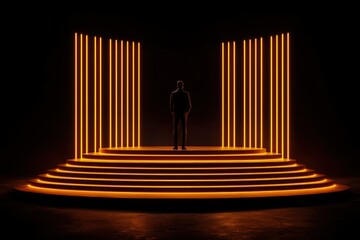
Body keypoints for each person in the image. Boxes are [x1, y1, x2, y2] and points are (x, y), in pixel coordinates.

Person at [169, 80, 192, 150]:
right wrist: (186, 112)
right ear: (183, 85)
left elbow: (170, 105)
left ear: (177, 85)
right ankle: (183, 147)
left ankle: (175, 146)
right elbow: (189, 105)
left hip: (176, 113)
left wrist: (173, 112)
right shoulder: (186, 94)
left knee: (175, 129)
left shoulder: (173, 93)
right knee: (184, 130)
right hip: (183, 113)